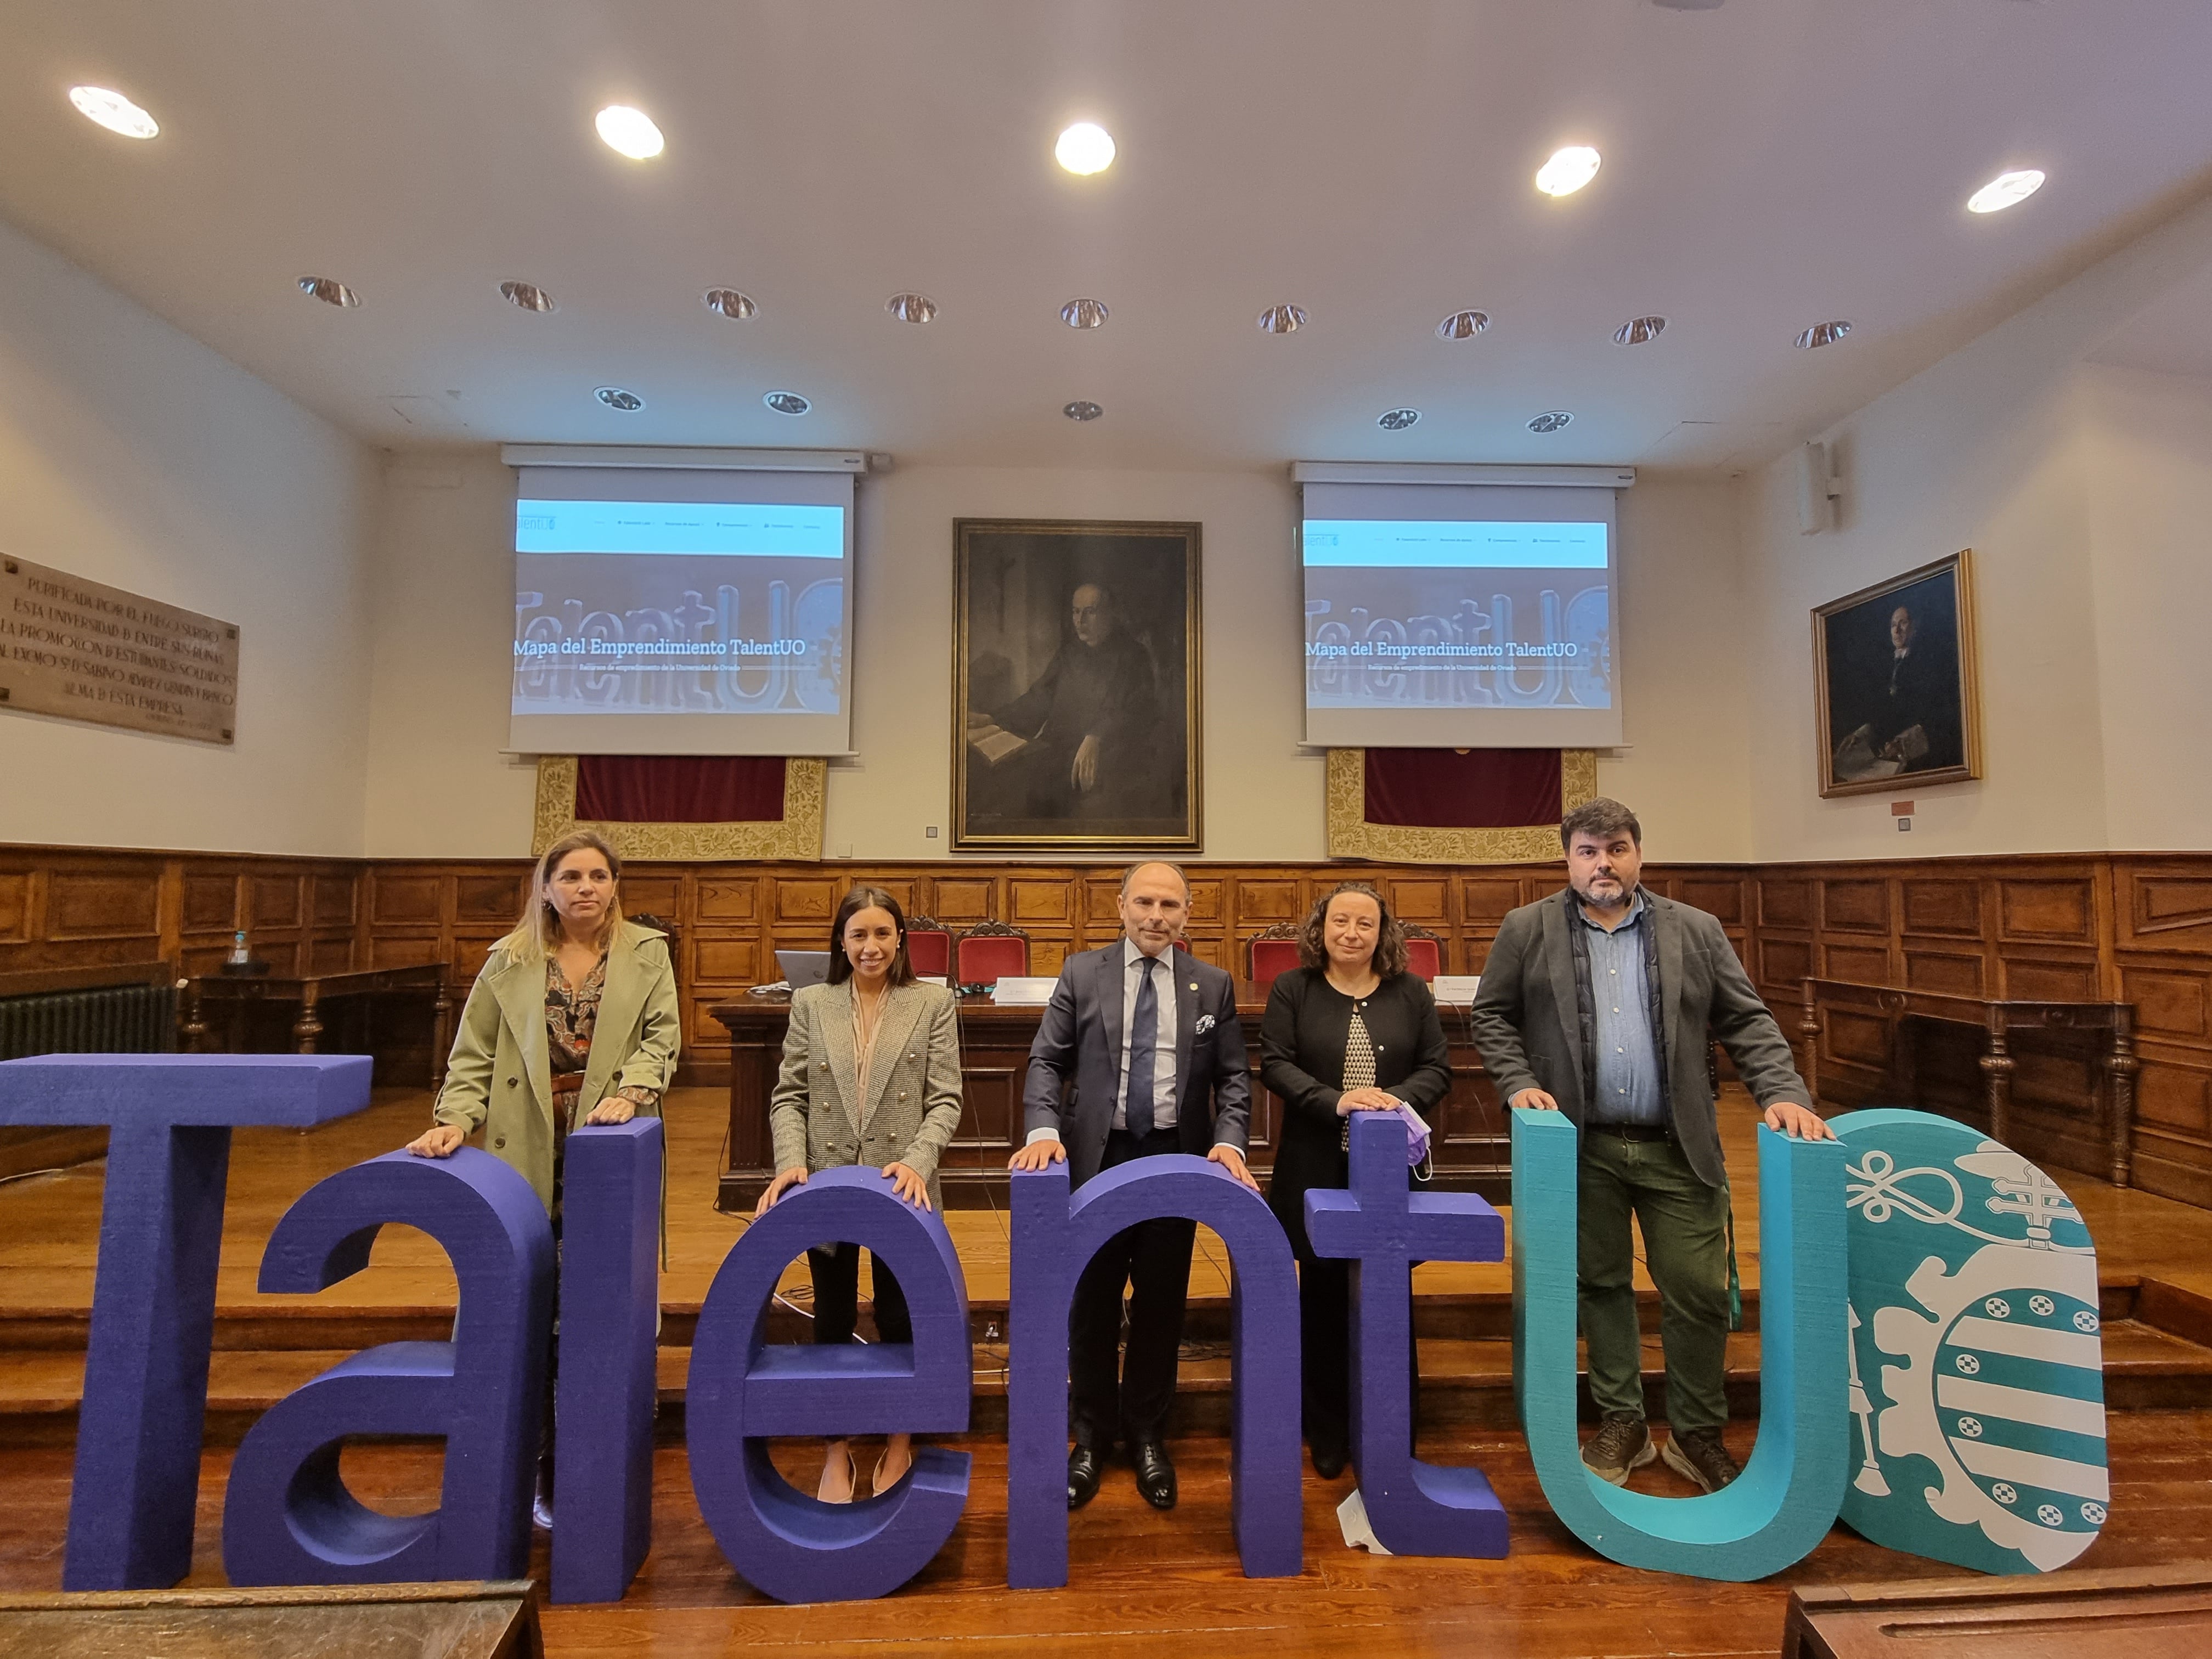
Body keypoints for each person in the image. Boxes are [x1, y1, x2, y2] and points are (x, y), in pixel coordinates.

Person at [1469, 797, 1831, 1494]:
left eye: (1617, 848)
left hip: (1678, 1146)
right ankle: (1623, 1422)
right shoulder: (1528, 928)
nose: (1603, 863)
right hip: (1581, 1147)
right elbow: (1493, 1017)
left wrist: (1782, 1092)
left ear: (1639, 853)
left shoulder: (1694, 929)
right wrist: (1517, 1082)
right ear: (1568, 858)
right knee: (1599, 1285)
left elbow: (1747, 1020)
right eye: (1588, 851)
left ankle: (1696, 1433)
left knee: (1696, 1290)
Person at [405, 830, 681, 1529]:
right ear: (547, 887)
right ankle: (519, 1465)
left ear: (616, 884)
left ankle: (579, 1467)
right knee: (521, 1302)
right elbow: (472, 1058)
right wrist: (454, 1121)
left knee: (595, 1305)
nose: (586, 888)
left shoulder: (647, 953)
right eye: (571, 876)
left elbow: (661, 1037)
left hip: (608, 1141)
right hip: (523, 1143)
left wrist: (638, 1089)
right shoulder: (508, 961)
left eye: (598, 875)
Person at [1010, 860, 1254, 1511]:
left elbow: (1233, 1077)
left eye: (1169, 905)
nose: (1156, 916)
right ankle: (1090, 1436)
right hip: (1098, 1159)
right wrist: (1040, 1129)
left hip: (1176, 1161)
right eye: (1144, 902)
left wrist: (1228, 1141)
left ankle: (1148, 1432)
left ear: (1188, 912)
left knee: (1161, 1304)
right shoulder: (1080, 974)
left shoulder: (1213, 985)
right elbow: (1047, 1060)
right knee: (1090, 1302)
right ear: (1120, 906)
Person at [757, 885, 963, 1504]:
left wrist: (918, 1162)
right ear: (840, 943)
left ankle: (901, 1435)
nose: (870, 947)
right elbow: (789, 1094)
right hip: (826, 1182)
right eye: (858, 935)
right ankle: (836, 1448)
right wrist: (793, 1163)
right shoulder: (812, 1003)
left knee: (901, 1312)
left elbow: (945, 1098)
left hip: (902, 1184)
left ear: (899, 939)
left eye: (881, 934)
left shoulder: (932, 1002)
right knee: (835, 1313)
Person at [1260, 882, 1451, 1478]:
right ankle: (1327, 1431)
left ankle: (1393, 1426)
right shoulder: (1294, 989)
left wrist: (1389, 1103)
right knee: (1320, 1298)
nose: (1351, 933)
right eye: (1339, 921)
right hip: (1315, 1165)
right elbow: (1275, 1064)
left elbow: (1437, 1068)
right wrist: (1338, 1101)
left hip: (1391, 1173)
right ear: (1320, 929)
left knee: (1388, 1297)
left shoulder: (1411, 992)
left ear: (1382, 933)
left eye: (1364, 924)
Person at [984, 582, 1161, 820]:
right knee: (1010, 779)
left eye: (1090, 611)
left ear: (1110, 613)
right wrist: (993, 718)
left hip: (1112, 755)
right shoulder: (1069, 653)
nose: (1080, 620)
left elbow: (1136, 711)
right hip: (1059, 749)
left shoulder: (1133, 656)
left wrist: (1096, 735)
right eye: (1076, 612)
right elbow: (1040, 697)